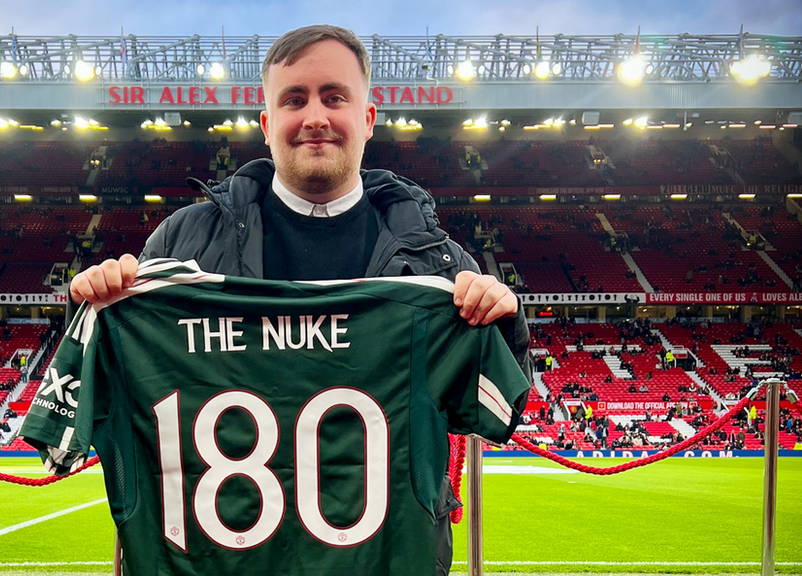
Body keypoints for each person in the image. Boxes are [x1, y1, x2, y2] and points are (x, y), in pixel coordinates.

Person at [65, 24, 530, 576]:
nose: (314, 117)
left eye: (335, 97)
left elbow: (500, 409)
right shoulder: (182, 241)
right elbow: (121, 392)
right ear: (266, 125)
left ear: (367, 118)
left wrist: (502, 322)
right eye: (293, 100)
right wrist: (101, 303)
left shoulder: (437, 262)